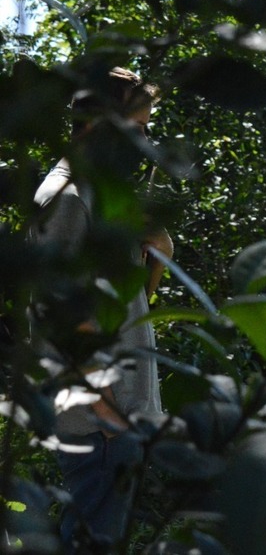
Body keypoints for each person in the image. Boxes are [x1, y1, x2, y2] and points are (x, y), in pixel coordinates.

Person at [28, 66, 170, 551]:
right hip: (98, 423)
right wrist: (111, 418)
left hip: (120, 414)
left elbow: (132, 309)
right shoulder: (69, 199)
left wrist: (159, 258)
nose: (144, 141)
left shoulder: (104, 195)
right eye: (134, 128)